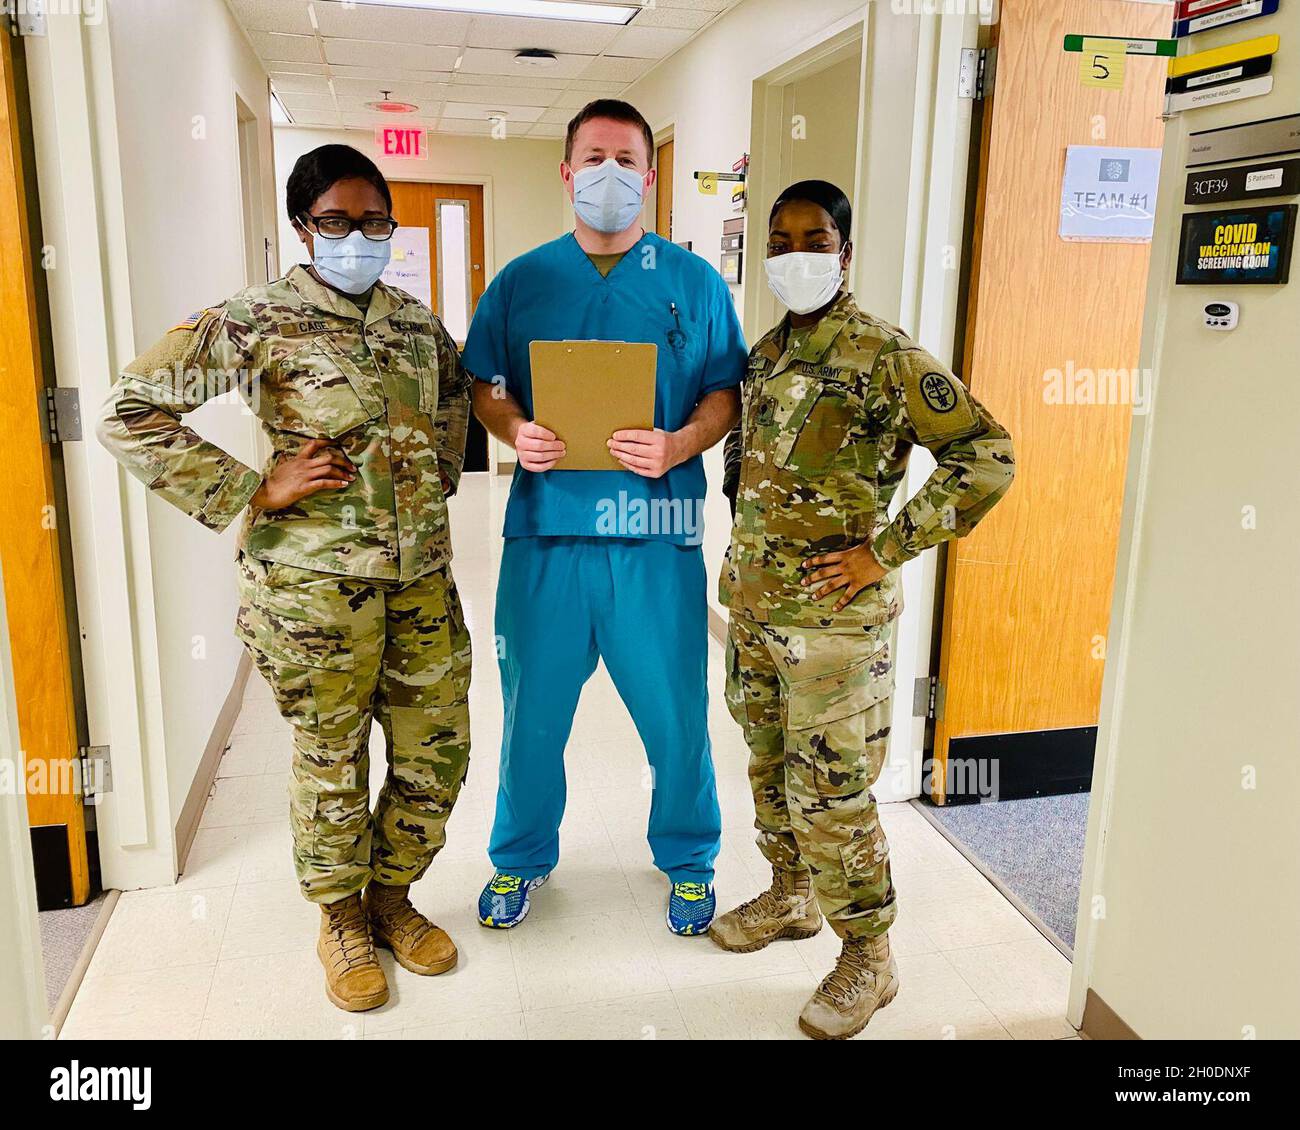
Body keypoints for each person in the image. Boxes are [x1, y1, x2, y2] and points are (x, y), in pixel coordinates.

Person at [96, 144, 473, 1013]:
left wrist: (434, 482)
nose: (359, 236)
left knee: (436, 752)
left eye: (375, 221)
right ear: (305, 227)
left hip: (420, 583)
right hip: (309, 592)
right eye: (338, 221)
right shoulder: (255, 319)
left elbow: (453, 401)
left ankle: (394, 897)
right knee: (332, 759)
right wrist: (250, 486)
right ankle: (342, 917)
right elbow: (129, 409)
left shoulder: (416, 322)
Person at [712, 180, 1015, 1038]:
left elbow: (985, 454)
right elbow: (747, 451)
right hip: (759, 612)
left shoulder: (883, 355)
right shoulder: (765, 353)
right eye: (781, 239)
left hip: (837, 629)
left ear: (845, 253)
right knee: (770, 770)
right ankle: (792, 894)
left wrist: (884, 549)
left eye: (815, 240)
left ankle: (869, 956)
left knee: (833, 793)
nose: (795, 254)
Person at [463, 99, 746, 935]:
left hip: (655, 540)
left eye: (626, 160)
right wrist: (515, 430)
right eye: (594, 158)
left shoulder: (692, 283)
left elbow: (724, 392)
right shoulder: (522, 281)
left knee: (677, 717)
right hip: (546, 537)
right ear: (566, 171)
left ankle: (689, 861)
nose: (610, 174)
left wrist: (680, 442)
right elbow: (486, 382)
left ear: (651, 177)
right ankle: (519, 859)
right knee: (531, 716)